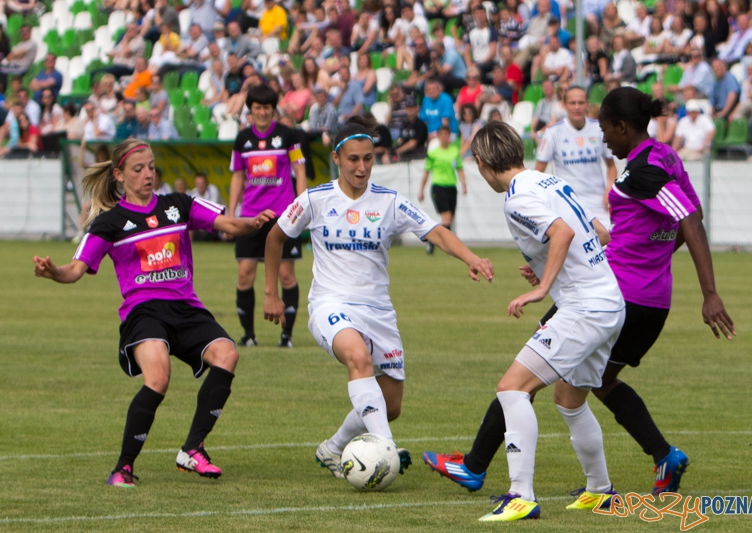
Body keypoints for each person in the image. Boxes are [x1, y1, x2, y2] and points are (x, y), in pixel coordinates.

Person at [424, 87, 735, 498]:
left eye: (606, 128)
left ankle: (500, 482)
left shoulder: (631, 173)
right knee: (575, 393)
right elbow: (609, 232)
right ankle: (612, 480)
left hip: (602, 299)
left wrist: (546, 285)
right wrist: (560, 266)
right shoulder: (577, 175)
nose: (603, 137)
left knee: (517, 383)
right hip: (627, 296)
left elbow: (679, 221)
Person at [262, 116, 494, 483]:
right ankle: (386, 449)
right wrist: (271, 292)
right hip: (330, 304)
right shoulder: (315, 199)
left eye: (368, 158)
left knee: (390, 405)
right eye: (353, 159)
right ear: (337, 157)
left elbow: (435, 231)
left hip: (378, 311)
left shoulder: (389, 202)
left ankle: (335, 446)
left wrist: (472, 258)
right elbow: (275, 236)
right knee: (358, 357)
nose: (362, 167)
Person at [32, 139, 275, 488]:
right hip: (143, 312)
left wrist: (253, 223)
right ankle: (123, 467)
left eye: (151, 167)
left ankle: (193, 449)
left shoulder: (179, 205)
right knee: (158, 377)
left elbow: (228, 225)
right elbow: (75, 269)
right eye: (138, 169)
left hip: (186, 307)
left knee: (227, 354)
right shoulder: (109, 223)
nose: (148, 174)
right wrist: (53, 271)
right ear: (119, 175)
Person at [431, 120, 625, 521]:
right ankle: (601, 491)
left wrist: (542, 288)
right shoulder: (549, 181)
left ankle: (520, 496)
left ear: (482, 163)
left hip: (584, 308)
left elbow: (561, 233)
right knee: (569, 401)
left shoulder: (519, 198)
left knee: (512, 388)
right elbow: (600, 233)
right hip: (609, 302)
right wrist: (549, 270)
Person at [229, 84, 306, 348]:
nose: (262, 113)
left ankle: (287, 335)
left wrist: (301, 206)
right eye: (257, 108)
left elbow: (300, 170)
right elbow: (237, 176)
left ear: (274, 110)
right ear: (250, 110)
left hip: (283, 216)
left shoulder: (288, 136)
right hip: (250, 215)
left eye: (267, 108)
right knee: (244, 273)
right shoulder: (242, 139)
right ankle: (248, 335)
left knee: (286, 274)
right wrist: (231, 214)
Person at [535, 86, 616, 225]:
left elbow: (612, 166)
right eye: (572, 103)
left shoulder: (599, 129)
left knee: (608, 243)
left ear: (587, 104)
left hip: (598, 205)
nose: (577, 107)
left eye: (581, 103)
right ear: (564, 105)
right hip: (567, 205)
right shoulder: (553, 133)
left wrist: (610, 188)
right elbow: (538, 172)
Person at [418, 125, 467, 254]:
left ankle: (436, 241)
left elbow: (459, 168)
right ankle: (439, 242)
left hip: (451, 187)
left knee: (450, 219)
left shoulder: (454, 151)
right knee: (447, 219)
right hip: (438, 187)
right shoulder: (433, 153)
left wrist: (464, 184)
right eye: (442, 134)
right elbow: (426, 172)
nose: (444, 137)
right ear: (438, 136)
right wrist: (421, 190)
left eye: (447, 134)